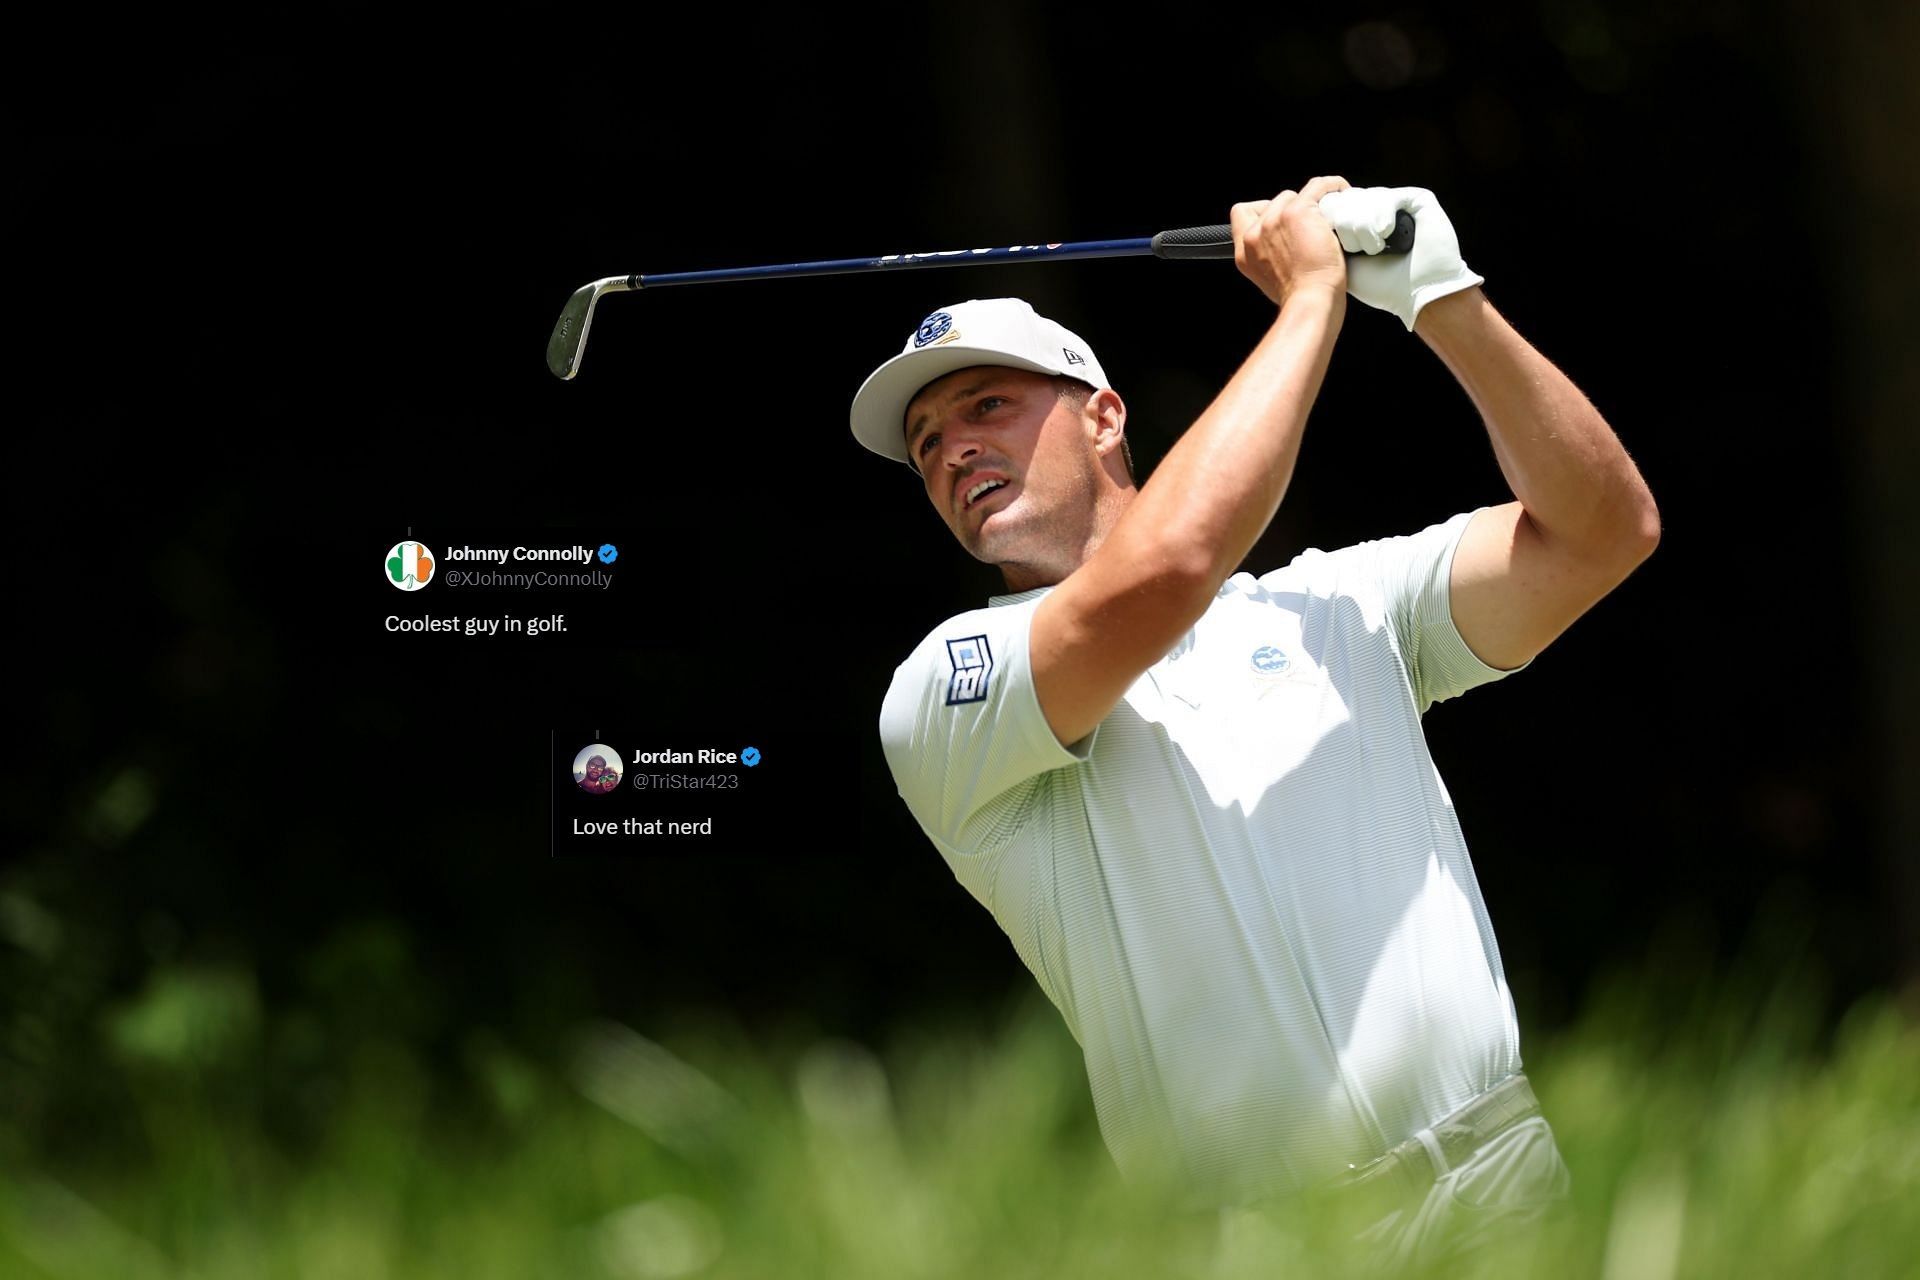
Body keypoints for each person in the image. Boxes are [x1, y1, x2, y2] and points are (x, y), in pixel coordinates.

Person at [849, 177, 1660, 1264]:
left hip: (1502, 1184)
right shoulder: (949, 688)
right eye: (925, 442)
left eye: (987, 405)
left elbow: (1605, 531)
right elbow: (1169, 564)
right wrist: (1311, 300)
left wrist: (1440, 297)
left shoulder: (1341, 602)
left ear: (1103, 414)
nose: (950, 449)